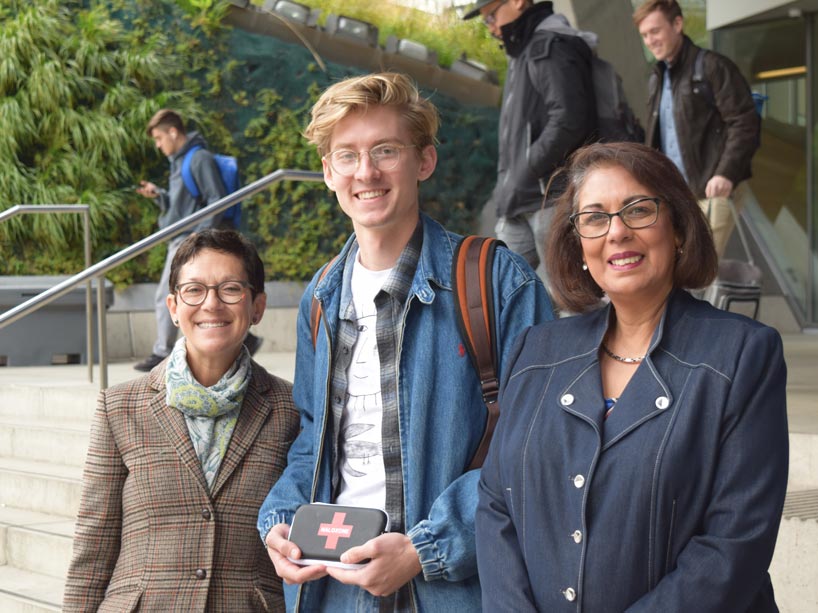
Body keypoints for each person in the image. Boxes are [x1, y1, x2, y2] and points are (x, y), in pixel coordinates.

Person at [257, 72, 552, 611]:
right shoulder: (320, 297)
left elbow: (537, 442)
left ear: (424, 161)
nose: (365, 172)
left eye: (385, 150)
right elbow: (311, 439)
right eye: (346, 156)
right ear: (328, 172)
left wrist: (423, 550)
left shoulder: (496, 281)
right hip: (334, 588)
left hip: (449, 590)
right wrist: (280, 519)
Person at [475, 141, 788, 611]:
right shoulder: (536, 350)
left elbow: (734, 544)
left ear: (678, 227)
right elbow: (497, 504)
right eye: (595, 218)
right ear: (578, 244)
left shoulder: (742, 354)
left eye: (638, 210)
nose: (616, 232)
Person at [63, 229, 299, 612]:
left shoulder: (290, 409)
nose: (211, 304)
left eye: (231, 289)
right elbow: (94, 544)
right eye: (194, 290)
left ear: (257, 306)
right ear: (173, 306)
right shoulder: (119, 406)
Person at [462, 0, 597, 286]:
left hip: (549, 199)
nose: (492, 28)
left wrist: (527, 169)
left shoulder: (549, 45)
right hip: (519, 201)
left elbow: (569, 120)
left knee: (568, 296)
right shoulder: (522, 51)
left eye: (492, 17)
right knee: (501, 294)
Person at [134, 109, 261, 371]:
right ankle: (246, 338)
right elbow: (184, 204)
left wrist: (199, 235)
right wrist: (159, 195)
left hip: (189, 239)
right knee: (187, 293)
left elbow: (217, 198)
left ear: (173, 131)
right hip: (182, 236)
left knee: (167, 295)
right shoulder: (179, 162)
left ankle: (162, 352)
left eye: (159, 138)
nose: (158, 145)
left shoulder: (198, 158)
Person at [634, 0, 760, 258]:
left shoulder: (713, 67)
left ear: (677, 24)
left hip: (713, 191)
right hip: (675, 195)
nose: (650, 40)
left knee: (697, 269)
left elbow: (745, 122)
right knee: (673, 266)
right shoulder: (657, 77)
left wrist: (725, 173)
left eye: (655, 31)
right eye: (644, 35)